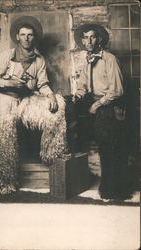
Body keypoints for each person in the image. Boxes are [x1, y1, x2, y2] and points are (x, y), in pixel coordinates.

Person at [0, 16, 67, 195]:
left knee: (58, 107)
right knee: (4, 140)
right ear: (17, 37)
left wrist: (51, 96)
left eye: (30, 35)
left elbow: (43, 83)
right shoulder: (7, 55)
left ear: (34, 37)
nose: (26, 38)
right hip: (5, 101)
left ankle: (52, 155)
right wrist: (9, 83)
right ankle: (6, 182)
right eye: (23, 35)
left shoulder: (39, 59)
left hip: (25, 100)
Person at [74, 24, 132, 201]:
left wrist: (96, 105)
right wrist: (78, 94)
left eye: (92, 37)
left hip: (111, 108)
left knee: (113, 149)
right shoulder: (88, 60)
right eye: (85, 38)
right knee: (104, 149)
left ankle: (115, 191)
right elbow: (83, 84)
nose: (89, 41)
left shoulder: (110, 59)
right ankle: (107, 187)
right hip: (98, 109)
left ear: (99, 39)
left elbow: (117, 91)